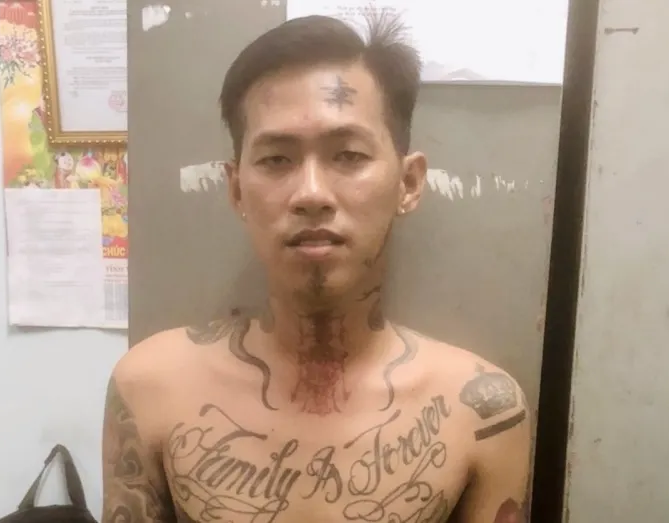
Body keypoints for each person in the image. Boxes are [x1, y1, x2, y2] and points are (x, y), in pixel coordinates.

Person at [101, 12, 532, 523]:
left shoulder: (482, 412)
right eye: (276, 160)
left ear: (409, 183)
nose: (310, 193)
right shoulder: (150, 389)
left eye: (348, 155)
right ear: (236, 189)